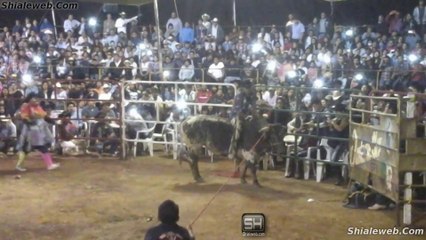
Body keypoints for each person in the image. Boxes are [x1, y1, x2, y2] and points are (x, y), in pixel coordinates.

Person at [15, 94, 60, 171]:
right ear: (29, 100)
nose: (36, 100)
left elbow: (45, 117)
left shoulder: (38, 107)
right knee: (31, 148)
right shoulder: (27, 107)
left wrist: (54, 122)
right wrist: (30, 122)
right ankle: (49, 164)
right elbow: (24, 118)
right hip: (29, 132)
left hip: (35, 131)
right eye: (34, 99)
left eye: (36, 99)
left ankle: (19, 165)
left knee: (30, 149)